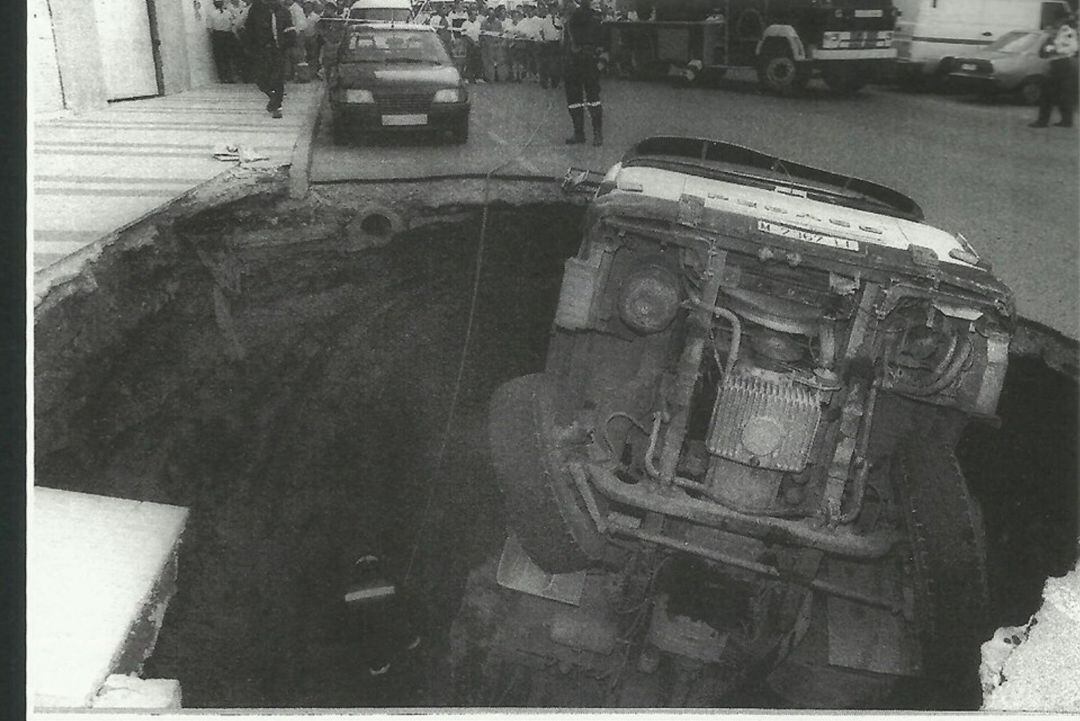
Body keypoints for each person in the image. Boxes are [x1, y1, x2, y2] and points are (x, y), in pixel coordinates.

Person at [343, 554, 423, 679]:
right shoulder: (390, 585)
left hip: (371, 637)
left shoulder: (350, 592)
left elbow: (352, 625)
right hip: (387, 636)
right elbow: (401, 613)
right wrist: (411, 639)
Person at [245, 0, 296, 117]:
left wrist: (288, 45)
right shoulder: (256, 10)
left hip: (279, 50)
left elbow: (290, 30)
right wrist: (251, 47)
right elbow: (249, 29)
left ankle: (277, 107)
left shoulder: (284, 11)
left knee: (278, 79)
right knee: (260, 78)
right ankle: (273, 97)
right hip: (262, 50)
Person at [562, 0, 603, 145]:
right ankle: (596, 135)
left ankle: (580, 134)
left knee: (576, 100)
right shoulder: (595, 18)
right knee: (592, 98)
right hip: (587, 62)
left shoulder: (574, 18)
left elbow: (570, 43)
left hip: (576, 62)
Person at [1031, 12, 1079, 128]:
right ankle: (1065, 121)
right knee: (1060, 94)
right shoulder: (1055, 33)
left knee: (1052, 93)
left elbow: (1074, 47)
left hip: (1063, 63)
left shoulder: (1068, 32)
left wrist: (1055, 50)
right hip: (1055, 63)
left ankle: (1045, 121)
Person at [208, 0, 240, 82]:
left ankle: (226, 77)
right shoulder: (225, 13)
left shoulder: (225, 13)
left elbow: (210, 28)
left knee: (224, 56)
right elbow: (210, 28)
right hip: (222, 35)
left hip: (222, 35)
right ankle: (226, 77)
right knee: (224, 56)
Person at [536, 2, 562, 88]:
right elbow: (539, 32)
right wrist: (542, 40)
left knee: (556, 64)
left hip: (556, 44)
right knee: (545, 64)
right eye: (552, 9)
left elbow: (561, 32)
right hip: (547, 44)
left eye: (555, 9)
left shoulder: (559, 20)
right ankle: (544, 83)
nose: (554, 11)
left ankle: (555, 83)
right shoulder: (544, 21)